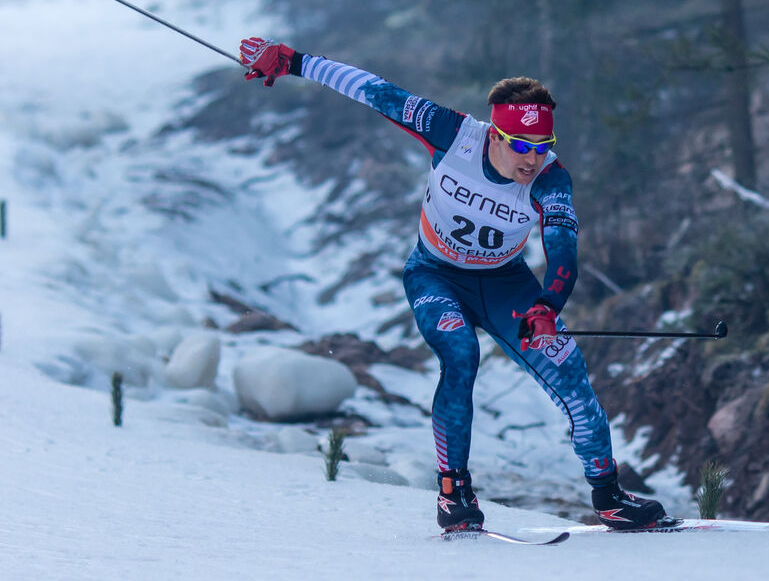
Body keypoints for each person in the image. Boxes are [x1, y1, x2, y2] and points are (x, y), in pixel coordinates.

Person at [238, 37, 668, 532]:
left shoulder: (552, 179)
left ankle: (609, 497)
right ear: (494, 136)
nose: (532, 160)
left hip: (505, 284)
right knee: (461, 354)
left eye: (543, 146)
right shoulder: (452, 133)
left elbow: (564, 250)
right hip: (435, 274)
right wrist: (293, 62)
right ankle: (453, 493)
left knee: (569, 372)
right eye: (521, 146)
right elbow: (376, 91)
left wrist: (548, 306)